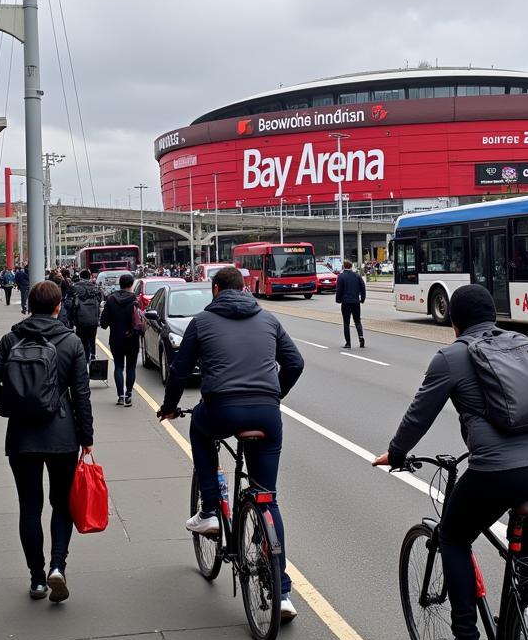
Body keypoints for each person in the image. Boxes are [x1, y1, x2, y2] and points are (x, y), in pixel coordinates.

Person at [373, 283, 528, 640]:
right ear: (494, 316)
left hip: (498, 470)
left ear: (453, 323)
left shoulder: (451, 356)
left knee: (453, 535)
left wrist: (395, 454)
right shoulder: (525, 345)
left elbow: (419, 415)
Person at [158, 266, 305, 620]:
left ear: (215, 289)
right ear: (245, 288)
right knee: (267, 496)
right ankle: (282, 594)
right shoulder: (268, 318)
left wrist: (170, 407)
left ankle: (210, 510)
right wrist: (274, 395)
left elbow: (179, 371)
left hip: (222, 409)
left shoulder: (203, 322)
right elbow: (295, 363)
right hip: (267, 414)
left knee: (199, 431)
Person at [0, 280, 93, 603]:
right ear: (58, 307)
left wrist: (13, 404)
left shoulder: (10, 339)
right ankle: (58, 566)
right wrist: (87, 438)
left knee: (30, 508)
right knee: (61, 504)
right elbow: (81, 396)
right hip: (62, 435)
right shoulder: (70, 342)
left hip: (22, 436)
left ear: (29, 305)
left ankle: (37, 579)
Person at [100, 272, 138, 406]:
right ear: (131, 284)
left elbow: (103, 323)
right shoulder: (135, 300)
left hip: (116, 338)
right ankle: (129, 395)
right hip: (132, 338)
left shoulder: (111, 299)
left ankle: (120, 396)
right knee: (131, 367)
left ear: (120, 284)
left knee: (118, 367)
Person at [335, 258, 366, 349]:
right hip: (356, 302)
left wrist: (338, 299)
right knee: (357, 321)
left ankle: (348, 343)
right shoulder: (357, 276)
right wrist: (362, 299)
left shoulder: (341, 277)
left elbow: (339, 290)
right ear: (351, 266)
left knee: (346, 323)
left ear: (343, 266)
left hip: (346, 303)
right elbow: (363, 288)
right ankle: (361, 338)